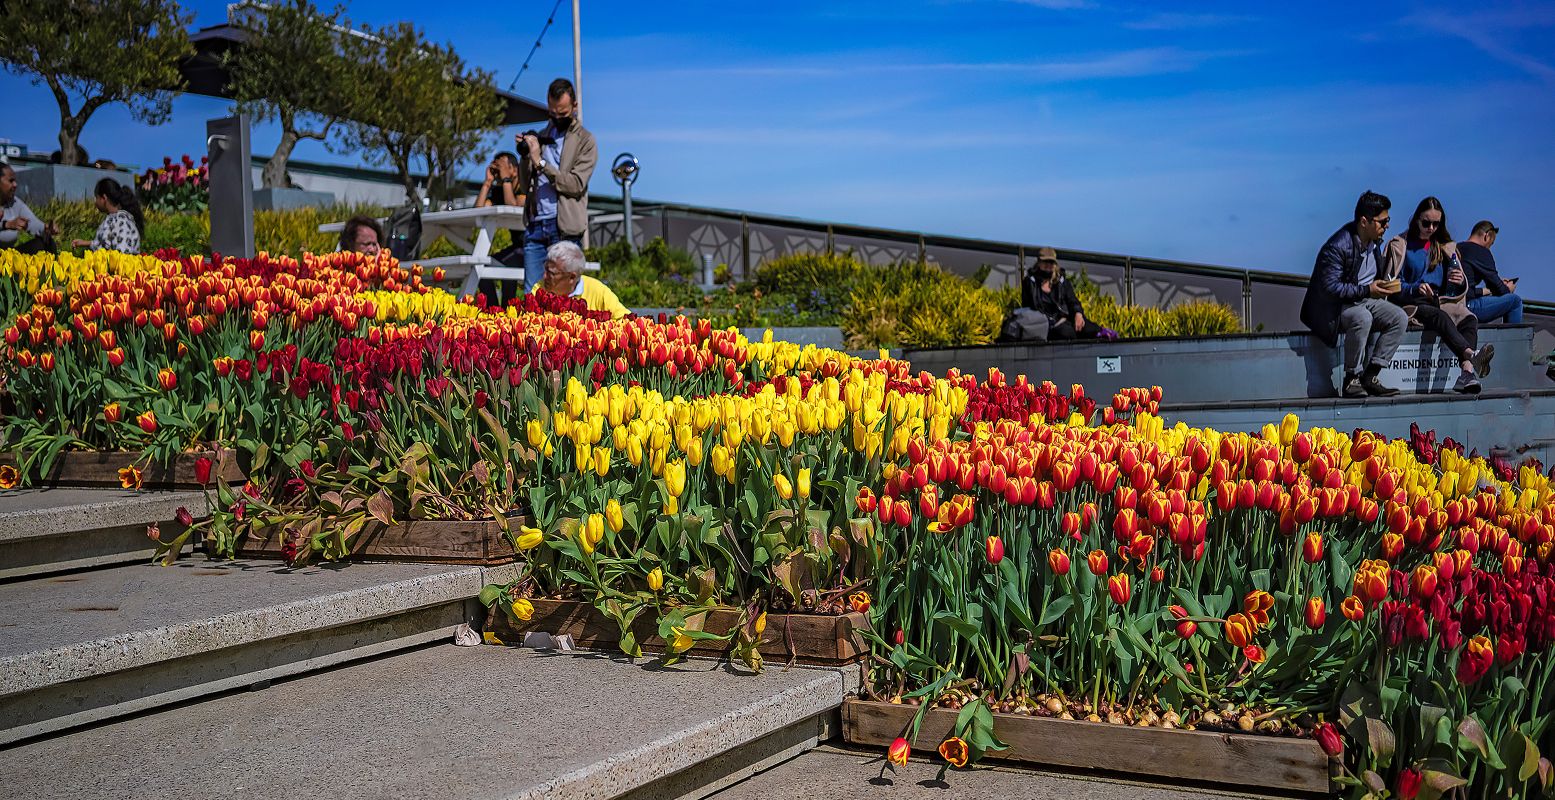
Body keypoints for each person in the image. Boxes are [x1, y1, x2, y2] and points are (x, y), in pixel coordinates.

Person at [1380, 197, 1494, 394]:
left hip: (1439, 301)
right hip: (1410, 304)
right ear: (1416, 220)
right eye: (1426, 223)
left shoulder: (1446, 247)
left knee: (1468, 318)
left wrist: (1457, 281)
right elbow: (1390, 285)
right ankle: (1471, 355)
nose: (1431, 228)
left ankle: (1466, 373)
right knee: (1438, 315)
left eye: (1436, 224)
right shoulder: (1400, 245)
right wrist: (1415, 288)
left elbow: (1452, 291)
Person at [1299, 190, 1407, 398]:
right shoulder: (1337, 246)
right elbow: (1330, 288)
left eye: (1388, 221)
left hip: (1362, 298)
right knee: (1362, 317)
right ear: (1364, 221)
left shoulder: (1374, 242)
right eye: (1382, 222)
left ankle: (1371, 375)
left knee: (1399, 317)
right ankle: (1352, 378)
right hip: (1333, 308)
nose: (1387, 226)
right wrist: (1368, 290)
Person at [518, 77, 597, 291]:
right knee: (532, 294)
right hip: (536, 225)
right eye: (552, 113)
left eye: (562, 113)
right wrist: (526, 157)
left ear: (574, 106)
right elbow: (525, 187)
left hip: (564, 227)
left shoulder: (585, 141)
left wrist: (541, 163)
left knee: (565, 296)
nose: (557, 118)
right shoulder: (541, 136)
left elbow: (576, 184)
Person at [534, 240, 628, 319]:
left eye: (551, 273)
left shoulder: (598, 291)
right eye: (545, 269)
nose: (544, 276)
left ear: (572, 277)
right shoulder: (539, 288)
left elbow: (626, 320)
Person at [1021, 247, 1099, 340]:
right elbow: (1028, 308)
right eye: (1045, 262)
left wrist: (1078, 313)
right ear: (1039, 263)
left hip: (1066, 320)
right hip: (1045, 325)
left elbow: (1073, 301)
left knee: (1091, 330)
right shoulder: (1030, 282)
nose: (1048, 265)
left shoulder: (1062, 282)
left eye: (1051, 262)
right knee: (1067, 333)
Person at [1458, 220, 1522, 324]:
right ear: (1486, 236)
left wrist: (1488, 290)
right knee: (1515, 301)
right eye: (1491, 243)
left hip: (1454, 304)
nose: (1489, 247)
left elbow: (1467, 290)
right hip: (1468, 308)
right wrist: (1508, 288)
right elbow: (1501, 290)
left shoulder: (1457, 247)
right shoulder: (1481, 251)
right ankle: (1512, 339)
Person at [0, 163, 60, 254]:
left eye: (15, 181)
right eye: (11, 181)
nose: (15, 184)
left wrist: (46, 228)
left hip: (7, 258)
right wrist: (6, 224)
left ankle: (52, 267)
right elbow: (6, 224)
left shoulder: (15, 203)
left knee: (45, 243)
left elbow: (32, 222)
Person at [71, 178, 143, 253]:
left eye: (96, 197)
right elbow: (106, 243)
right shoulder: (113, 219)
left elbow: (122, 254)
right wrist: (86, 243)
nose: (95, 202)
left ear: (104, 198)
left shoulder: (121, 222)